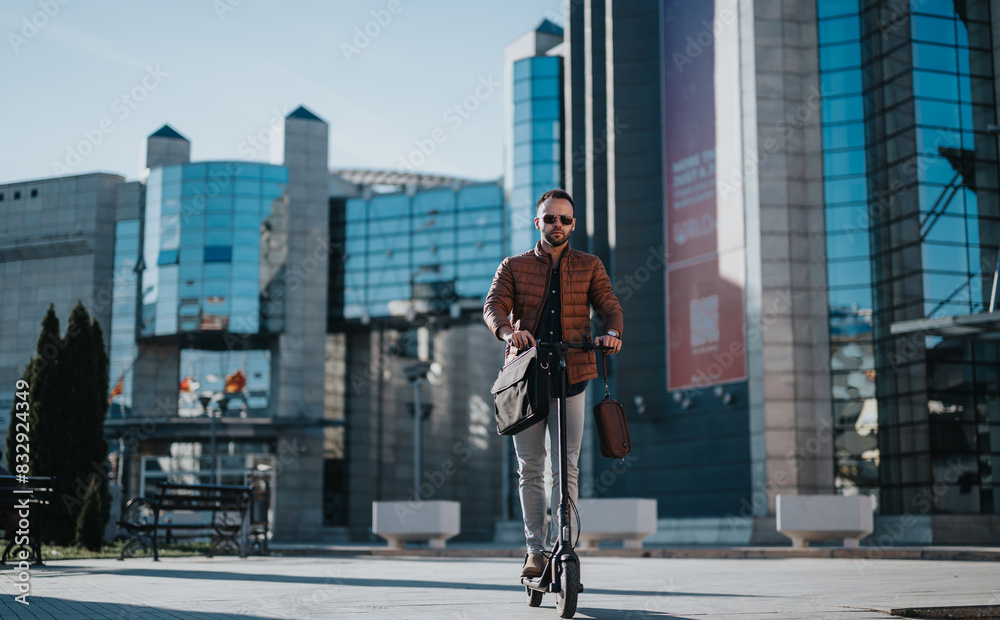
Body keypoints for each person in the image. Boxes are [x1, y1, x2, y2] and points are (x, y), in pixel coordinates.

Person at [484, 188, 623, 580]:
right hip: (525, 378)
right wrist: (508, 331)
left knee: (567, 467)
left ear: (572, 224)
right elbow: (493, 304)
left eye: (564, 219)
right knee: (530, 467)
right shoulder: (514, 265)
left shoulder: (590, 265)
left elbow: (609, 305)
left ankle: (564, 542)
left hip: (572, 373)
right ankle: (535, 550)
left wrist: (611, 332)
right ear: (538, 222)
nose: (556, 225)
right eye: (549, 218)